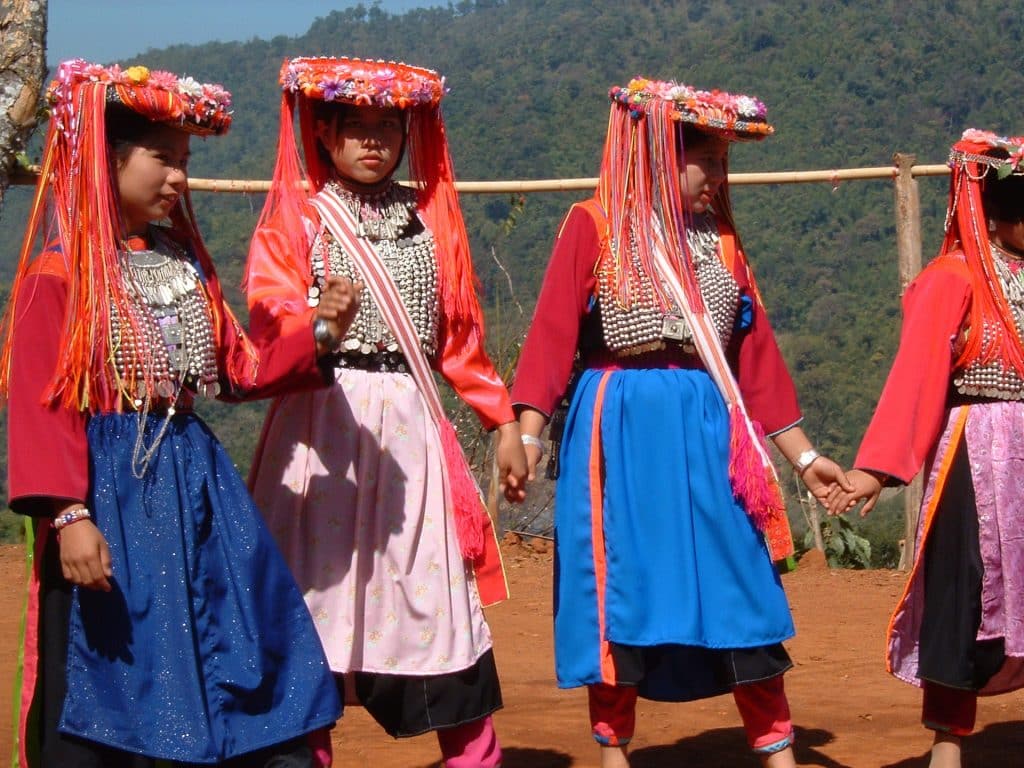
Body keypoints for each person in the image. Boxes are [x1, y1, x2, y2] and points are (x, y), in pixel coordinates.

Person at [0, 59, 358, 767]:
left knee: (228, 640)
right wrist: (68, 516)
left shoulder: (183, 264)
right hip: (110, 492)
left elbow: (234, 367)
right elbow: (40, 403)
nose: (178, 179)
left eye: (184, 162)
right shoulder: (59, 274)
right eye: (163, 159)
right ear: (108, 158)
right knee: (115, 656)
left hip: (195, 487)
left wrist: (318, 331)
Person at [512, 77, 851, 768]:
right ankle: (614, 754)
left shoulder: (722, 243)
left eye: (725, 163)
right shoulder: (595, 224)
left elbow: (755, 360)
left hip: (709, 428)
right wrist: (524, 434)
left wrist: (805, 458)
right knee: (617, 590)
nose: (719, 177)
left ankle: (777, 750)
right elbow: (550, 340)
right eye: (708, 161)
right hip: (619, 431)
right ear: (660, 156)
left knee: (743, 583)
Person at [244, 56, 528, 768]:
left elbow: (458, 335)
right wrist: (317, 324)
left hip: (410, 431)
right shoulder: (298, 218)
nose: (373, 142)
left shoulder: (431, 220)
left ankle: (474, 755)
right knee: (314, 603)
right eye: (356, 127)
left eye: (387, 128)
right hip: (320, 429)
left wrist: (501, 424)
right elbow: (268, 315)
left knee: (433, 605)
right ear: (326, 132)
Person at [827, 129, 1024, 768]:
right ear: (994, 213)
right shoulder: (953, 278)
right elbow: (915, 377)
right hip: (977, 456)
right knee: (965, 592)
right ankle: (948, 746)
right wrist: (877, 470)